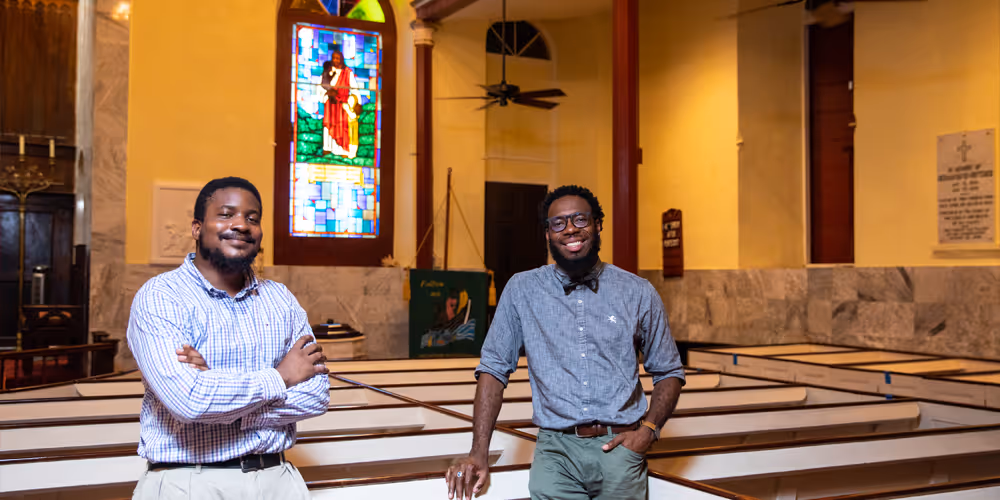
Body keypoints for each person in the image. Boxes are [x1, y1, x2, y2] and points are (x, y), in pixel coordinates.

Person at [445, 185, 686, 500]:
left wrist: (649, 431)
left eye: (580, 219)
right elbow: (493, 371)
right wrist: (478, 452)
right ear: (547, 234)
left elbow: (669, 370)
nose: (570, 228)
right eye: (558, 223)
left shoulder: (637, 292)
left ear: (598, 224)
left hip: (620, 449)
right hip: (556, 452)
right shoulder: (522, 290)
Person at [127, 177, 331, 500]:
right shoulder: (160, 297)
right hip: (189, 483)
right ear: (196, 228)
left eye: (252, 218)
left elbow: (317, 394)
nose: (241, 225)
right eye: (226, 214)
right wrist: (281, 376)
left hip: (277, 480)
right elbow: (189, 401)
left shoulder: (282, 300)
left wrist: (220, 394)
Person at [321, 49, 360, 157]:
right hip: (330, 104)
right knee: (328, 125)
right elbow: (322, 87)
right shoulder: (327, 71)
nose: (335, 60)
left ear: (342, 59)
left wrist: (357, 102)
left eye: (337, 58)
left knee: (342, 127)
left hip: (342, 105)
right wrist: (327, 94)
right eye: (333, 58)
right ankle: (327, 148)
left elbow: (355, 89)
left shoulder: (348, 73)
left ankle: (342, 150)